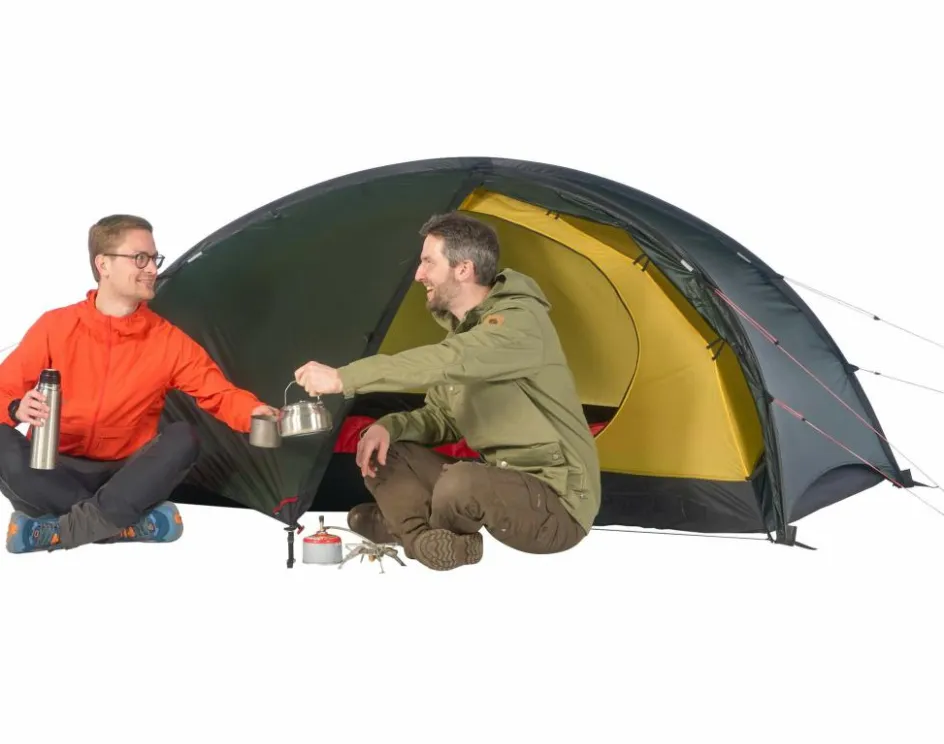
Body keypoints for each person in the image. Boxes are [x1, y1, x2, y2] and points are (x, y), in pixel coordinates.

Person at [293, 211, 601, 571]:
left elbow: (450, 359)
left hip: (557, 504)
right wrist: (386, 428)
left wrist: (343, 378)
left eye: (428, 262)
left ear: (463, 269)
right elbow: (441, 417)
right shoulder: (464, 334)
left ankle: (404, 525)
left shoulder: (519, 323)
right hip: (497, 483)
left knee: (461, 481)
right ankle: (424, 539)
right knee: (384, 453)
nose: (418, 274)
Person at [1, 214, 278, 554]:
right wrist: (15, 408)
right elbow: (3, 389)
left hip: (127, 477)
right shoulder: (55, 326)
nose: (152, 270)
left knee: (184, 437)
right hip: (54, 472)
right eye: (140, 258)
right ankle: (124, 524)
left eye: (154, 259)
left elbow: (218, 393)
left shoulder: (167, 340)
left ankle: (58, 529)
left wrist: (254, 412)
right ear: (103, 264)